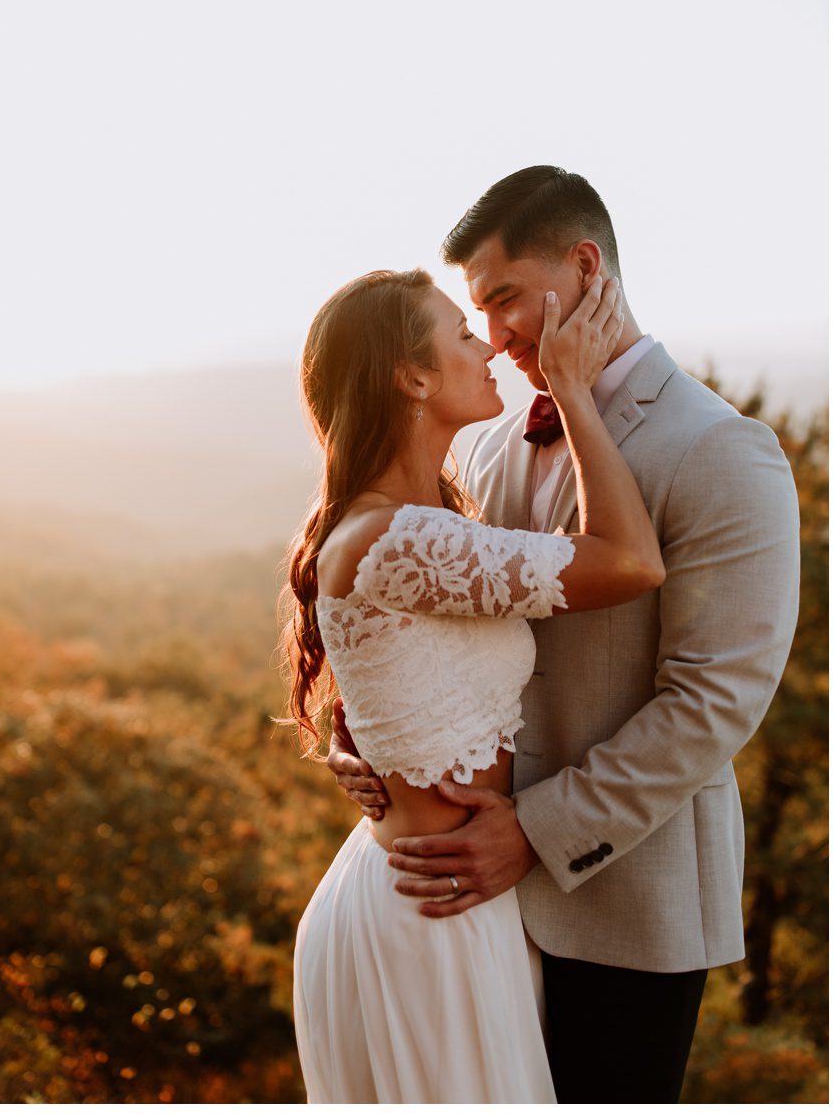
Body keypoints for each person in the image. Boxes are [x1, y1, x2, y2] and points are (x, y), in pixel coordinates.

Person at [325, 167, 800, 1102]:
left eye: (505, 299)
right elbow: (412, 623)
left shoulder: (721, 450)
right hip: (465, 904)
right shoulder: (488, 443)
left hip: (623, 907)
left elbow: (716, 702)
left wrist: (537, 833)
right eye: (476, 315)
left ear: (584, 268)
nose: (495, 338)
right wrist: (365, 739)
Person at [286, 266, 667, 1102]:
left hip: (448, 896)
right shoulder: (396, 538)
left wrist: (353, 739)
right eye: (463, 332)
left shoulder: (415, 526)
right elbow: (631, 562)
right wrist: (572, 390)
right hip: (430, 918)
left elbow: (400, 676)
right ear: (413, 378)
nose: (489, 347)